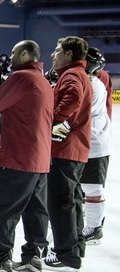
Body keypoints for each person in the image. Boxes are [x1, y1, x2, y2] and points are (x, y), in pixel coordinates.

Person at [0, 40, 53, 272]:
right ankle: (32, 259)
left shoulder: (22, 78)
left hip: (19, 156)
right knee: (35, 210)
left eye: (16, 52)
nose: (12, 56)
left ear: (27, 53)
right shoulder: (40, 79)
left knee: (4, 209)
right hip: (39, 157)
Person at [44, 36, 92, 272]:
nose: (53, 54)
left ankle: (65, 254)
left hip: (65, 148)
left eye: (57, 50)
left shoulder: (71, 75)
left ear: (70, 54)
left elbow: (72, 99)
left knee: (60, 202)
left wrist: (54, 119)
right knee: (72, 200)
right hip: (76, 149)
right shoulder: (79, 74)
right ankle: (75, 247)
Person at [80, 47, 112, 246]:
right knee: (84, 187)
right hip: (87, 143)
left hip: (95, 144)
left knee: (92, 188)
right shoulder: (89, 82)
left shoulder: (93, 84)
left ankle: (94, 228)